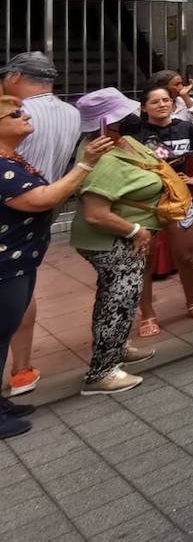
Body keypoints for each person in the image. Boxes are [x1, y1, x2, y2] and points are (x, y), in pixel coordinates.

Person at [0, 96, 112, 437]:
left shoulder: (11, 158)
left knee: (5, 333)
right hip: (6, 264)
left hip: (20, 260)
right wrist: (85, 165)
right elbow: (41, 199)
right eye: (14, 113)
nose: (25, 116)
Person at [71, 88, 175, 395]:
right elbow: (95, 214)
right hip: (111, 241)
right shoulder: (101, 157)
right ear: (106, 124)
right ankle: (102, 371)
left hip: (123, 239)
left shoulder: (119, 144)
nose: (133, 117)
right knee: (117, 300)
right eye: (123, 115)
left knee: (118, 298)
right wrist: (135, 231)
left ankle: (117, 348)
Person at [1, 52, 81, 399]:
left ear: (16, 76)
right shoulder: (72, 113)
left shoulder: (17, 116)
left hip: (14, 208)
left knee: (14, 293)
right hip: (44, 211)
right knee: (22, 289)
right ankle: (22, 368)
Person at [127, 84, 193, 336]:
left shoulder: (187, 128)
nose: (163, 105)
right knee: (146, 261)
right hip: (145, 203)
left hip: (179, 200)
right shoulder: (136, 135)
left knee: (186, 257)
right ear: (144, 107)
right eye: (155, 102)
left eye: (166, 100)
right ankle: (148, 316)